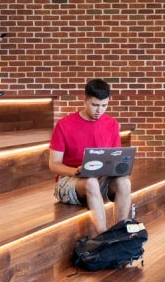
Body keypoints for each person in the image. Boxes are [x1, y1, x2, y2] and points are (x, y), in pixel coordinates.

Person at [48, 79, 133, 236]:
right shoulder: (64, 125)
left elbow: (115, 158)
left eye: (104, 105)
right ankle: (105, 237)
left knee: (124, 182)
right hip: (69, 180)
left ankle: (120, 233)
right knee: (91, 182)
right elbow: (54, 165)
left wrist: (119, 168)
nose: (100, 110)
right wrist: (76, 170)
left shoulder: (112, 124)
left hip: (100, 178)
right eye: (95, 105)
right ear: (85, 100)